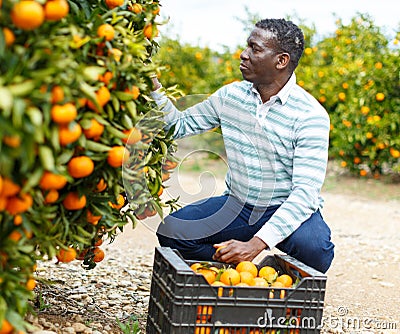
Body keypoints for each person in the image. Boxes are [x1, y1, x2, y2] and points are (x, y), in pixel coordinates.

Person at [150, 18, 334, 273]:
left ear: (281, 61)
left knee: (315, 251)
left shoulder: (310, 115)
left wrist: (256, 244)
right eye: (247, 46)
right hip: (240, 204)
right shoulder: (231, 97)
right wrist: (154, 89)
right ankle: (241, 275)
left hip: (285, 205)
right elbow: (176, 126)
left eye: (255, 49)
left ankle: (270, 269)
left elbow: (305, 194)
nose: (243, 54)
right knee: (174, 231)